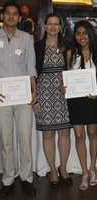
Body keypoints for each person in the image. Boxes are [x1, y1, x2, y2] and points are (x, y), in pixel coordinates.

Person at [0, 2, 37, 198]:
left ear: (19, 18)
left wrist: (34, 91)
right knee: (6, 141)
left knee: (24, 138)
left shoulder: (27, 38)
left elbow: (31, 68)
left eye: (15, 14)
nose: (12, 17)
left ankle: (27, 178)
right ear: (2, 15)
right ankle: (8, 179)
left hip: (23, 98)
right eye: (8, 13)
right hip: (1, 97)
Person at [34, 13, 72, 188]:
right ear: (45, 26)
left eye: (56, 24)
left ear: (60, 27)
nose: (53, 27)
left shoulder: (67, 47)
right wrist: (34, 98)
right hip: (43, 94)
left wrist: (66, 84)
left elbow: (71, 71)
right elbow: (31, 74)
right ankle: (53, 171)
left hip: (63, 95)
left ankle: (63, 168)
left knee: (64, 133)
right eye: (50, 23)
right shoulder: (37, 47)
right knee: (48, 134)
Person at [66, 20, 97, 190]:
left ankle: (93, 169)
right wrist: (62, 86)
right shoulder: (71, 53)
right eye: (78, 33)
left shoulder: (96, 53)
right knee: (79, 136)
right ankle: (84, 171)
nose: (81, 36)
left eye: (85, 33)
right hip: (75, 100)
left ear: (90, 34)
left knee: (93, 134)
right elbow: (66, 78)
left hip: (93, 100)